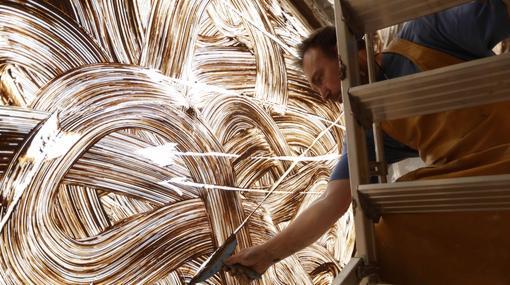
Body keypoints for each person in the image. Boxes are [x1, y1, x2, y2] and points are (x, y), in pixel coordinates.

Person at [225, 0, 510, 280]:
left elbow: (498, 9)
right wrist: (267, 254)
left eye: (320, 78)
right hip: (471, 177)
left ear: (343, 51)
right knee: (385, 239)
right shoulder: (367, 126)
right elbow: (330, 203)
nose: (323, 93)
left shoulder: (426, 35)